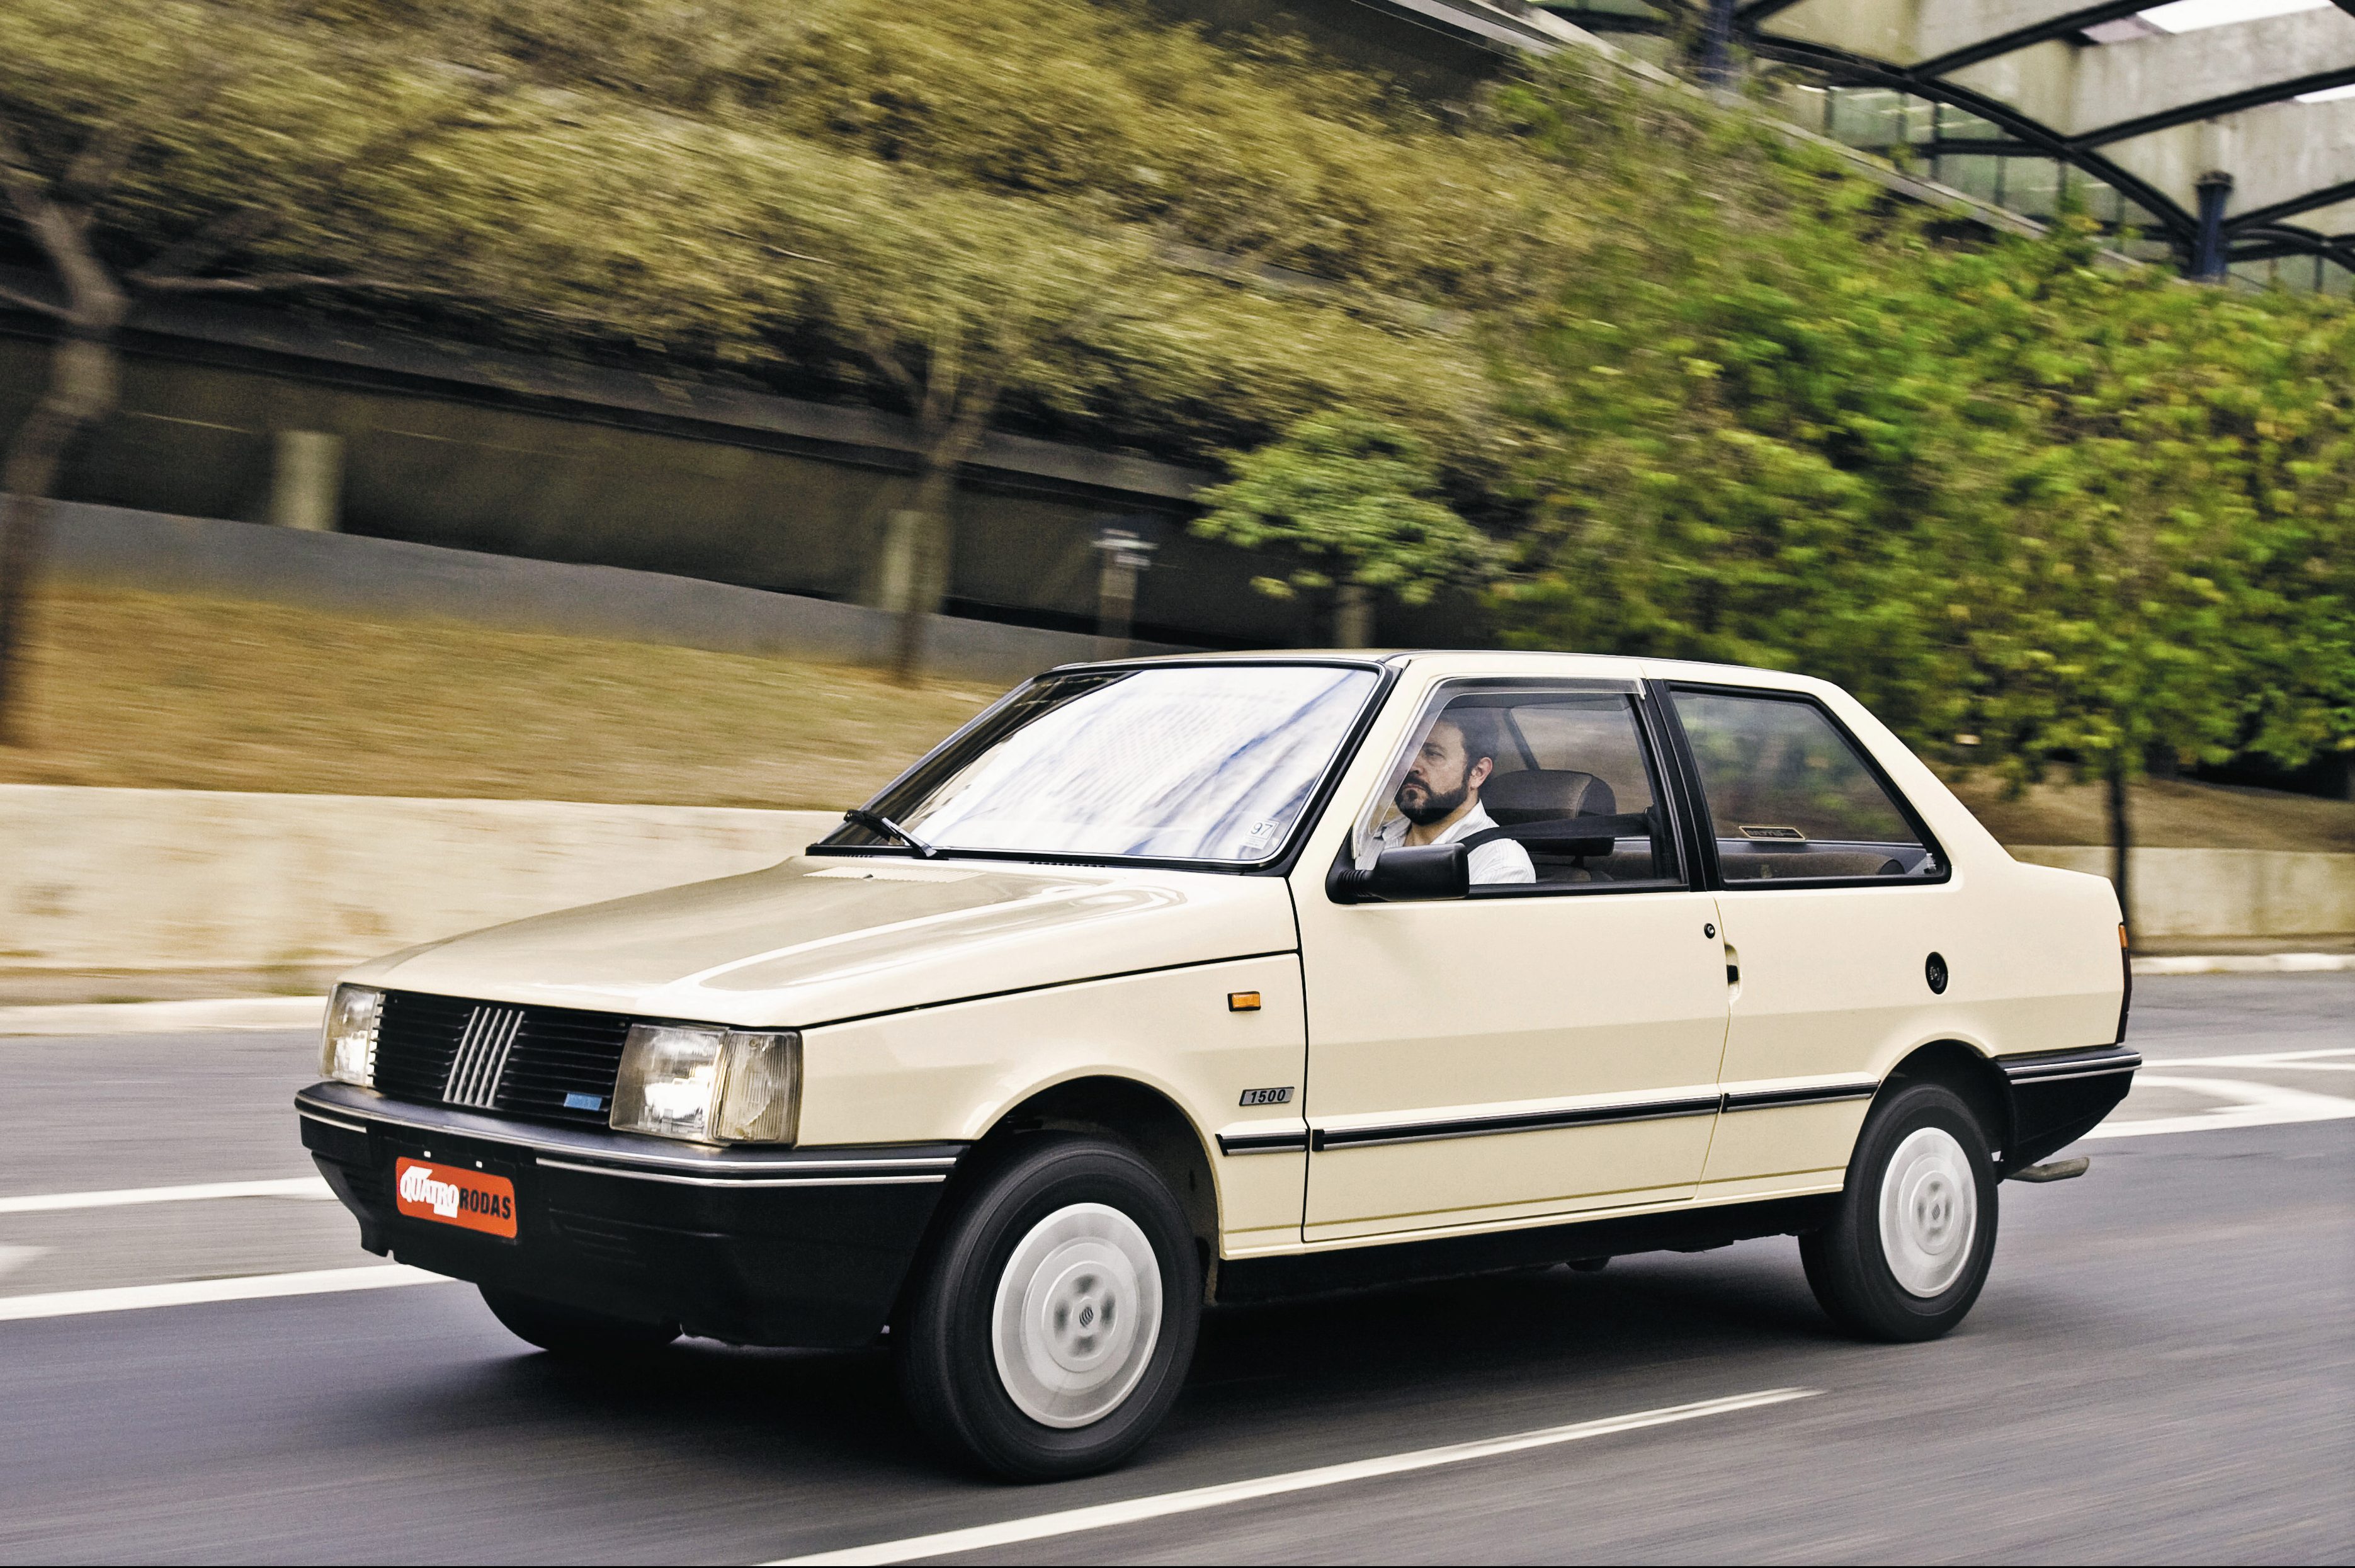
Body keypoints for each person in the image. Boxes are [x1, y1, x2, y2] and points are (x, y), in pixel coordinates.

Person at [1371, 707, 1535, 885]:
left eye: (1433, 754)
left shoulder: (1501, 866)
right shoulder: (1368, 839)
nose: (1411, 766)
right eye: (1407, 752)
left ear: (1477, 773)